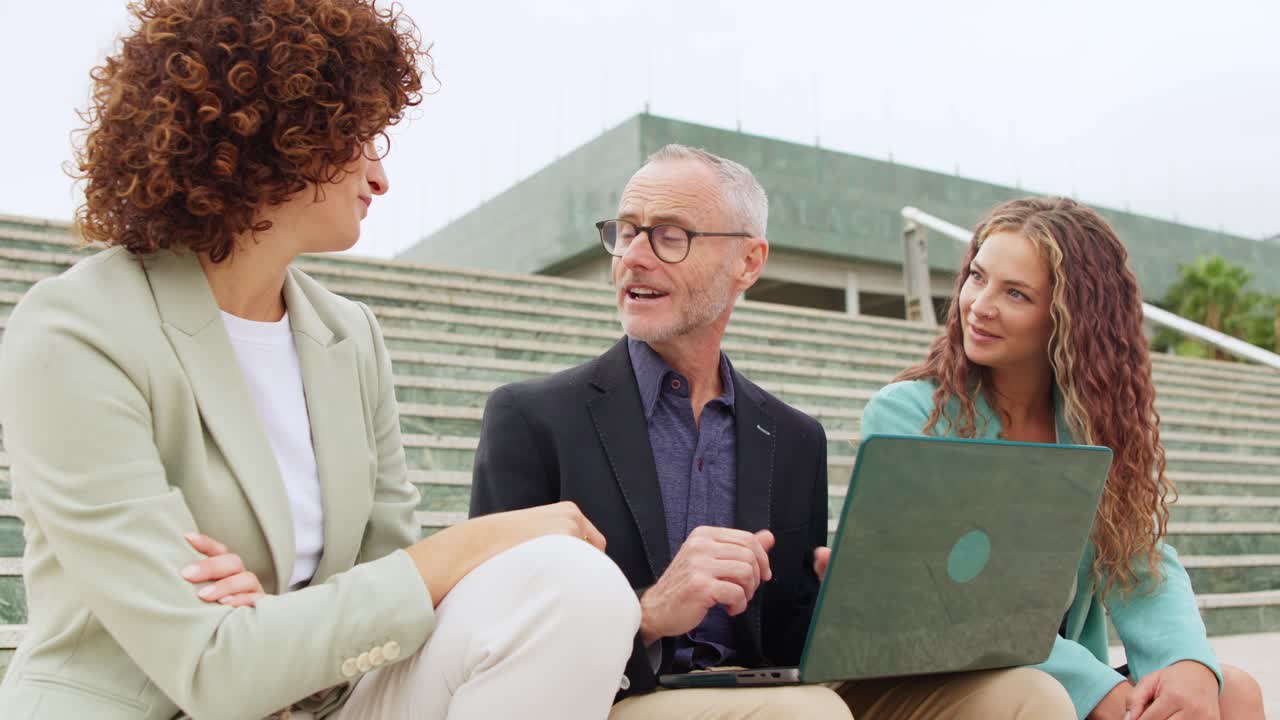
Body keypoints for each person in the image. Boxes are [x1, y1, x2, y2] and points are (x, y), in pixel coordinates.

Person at [0, 2, 638, 718]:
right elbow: (213, 666)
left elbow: (385, 596)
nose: (379, 176)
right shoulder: (76, 331)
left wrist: (275, 623)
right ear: (276, 133)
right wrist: (465, 545)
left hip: (325, 699)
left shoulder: (350, 335)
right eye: (364, 136)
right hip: (152, 707)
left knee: (570, 582)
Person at [470, 145, 1076, 719]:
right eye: (627, 230)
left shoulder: (794, 438)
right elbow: (490, 631)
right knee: (807, 713)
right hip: (611, 697)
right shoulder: (532, 419)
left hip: (773, 691)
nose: (634, 255)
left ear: (749, 262)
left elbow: (787, 640)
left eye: (670, 236)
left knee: (1030, 697)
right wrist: (647, 611)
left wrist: (855, 606)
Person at [858, 197, 1266, 720]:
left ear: (1068, 319)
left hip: (1058, 669)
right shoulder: (909, 415)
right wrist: (1096, 687)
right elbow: (958, 597)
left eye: (1016, 294)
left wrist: (1186, 664)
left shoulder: (1089, 424)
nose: (980, 305)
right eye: (977, 277)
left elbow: (1140, 563)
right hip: (957, 674)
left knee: (1233, 692)